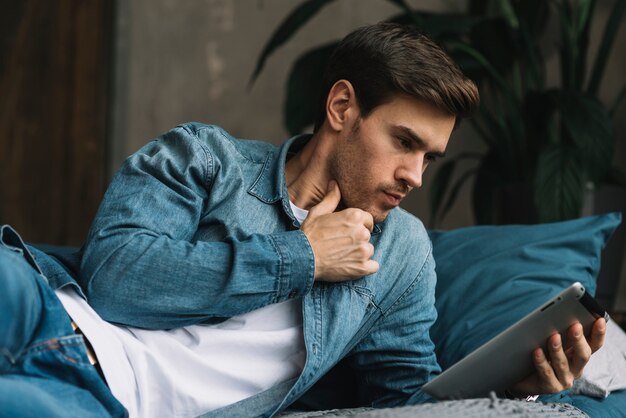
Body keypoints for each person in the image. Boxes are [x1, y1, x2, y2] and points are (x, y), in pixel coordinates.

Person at [0, 22, 606, 417]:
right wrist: (303, 258)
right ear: (342, 106)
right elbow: (117, 281)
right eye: (403, 142)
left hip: (103, 398)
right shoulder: (205, 157)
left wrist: (518, 390)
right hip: (44, 305)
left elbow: (402, 399)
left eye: (430, 157)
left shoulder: (400, 254)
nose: (416, 176)